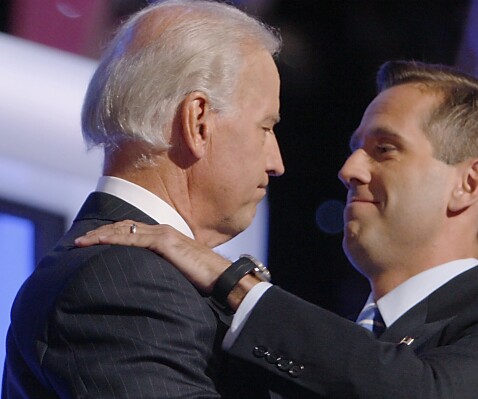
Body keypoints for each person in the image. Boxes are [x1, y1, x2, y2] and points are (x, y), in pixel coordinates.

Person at [74, 60, 478, 398]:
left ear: (468, 184)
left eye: (384, 149)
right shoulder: (321, 341)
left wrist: (234, 284)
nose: (349, 168)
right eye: (357, 146)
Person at [2, 1, 284, 398]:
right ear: (198, 122)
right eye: (265, 128)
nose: (276, 163)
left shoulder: (129, 274)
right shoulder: (124, 285)